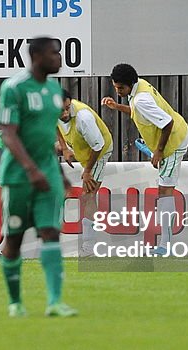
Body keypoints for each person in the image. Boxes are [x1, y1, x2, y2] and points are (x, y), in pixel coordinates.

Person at [0, 37, 77, 318]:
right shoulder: (14, 87)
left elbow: (45, 136)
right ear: (37, 55)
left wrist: (59, 172)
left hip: (48, 175)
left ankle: (55, 302)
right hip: (19, 176)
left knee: (51, 232)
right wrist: (31, 170)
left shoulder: (55, 91)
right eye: (54, 53)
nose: (59, 58)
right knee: (15, 238)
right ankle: (15, 303)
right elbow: (8, 133)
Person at [102, 63, 188, 255]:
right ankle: (166, 245)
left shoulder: (141, 99)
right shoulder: (139, 86)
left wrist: (158, 151)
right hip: (175, 135)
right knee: (163, 191)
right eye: (115, 87)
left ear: (130, 84)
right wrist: (117, 106)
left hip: (174, 141)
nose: (117, 91)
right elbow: (138, 111)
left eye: (120, 88)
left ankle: (166, 246)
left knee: (165, 192)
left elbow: (167, 123)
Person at [56, 90, 112, 255]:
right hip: (80, 145)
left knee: (87, 196)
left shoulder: (83, 118)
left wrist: (87, 171)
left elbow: (98, 146)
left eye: (68, 108)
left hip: (99, 151)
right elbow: (55, 125)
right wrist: (65, 148)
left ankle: (89, 247)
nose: (66, 113)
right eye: (61, 110)